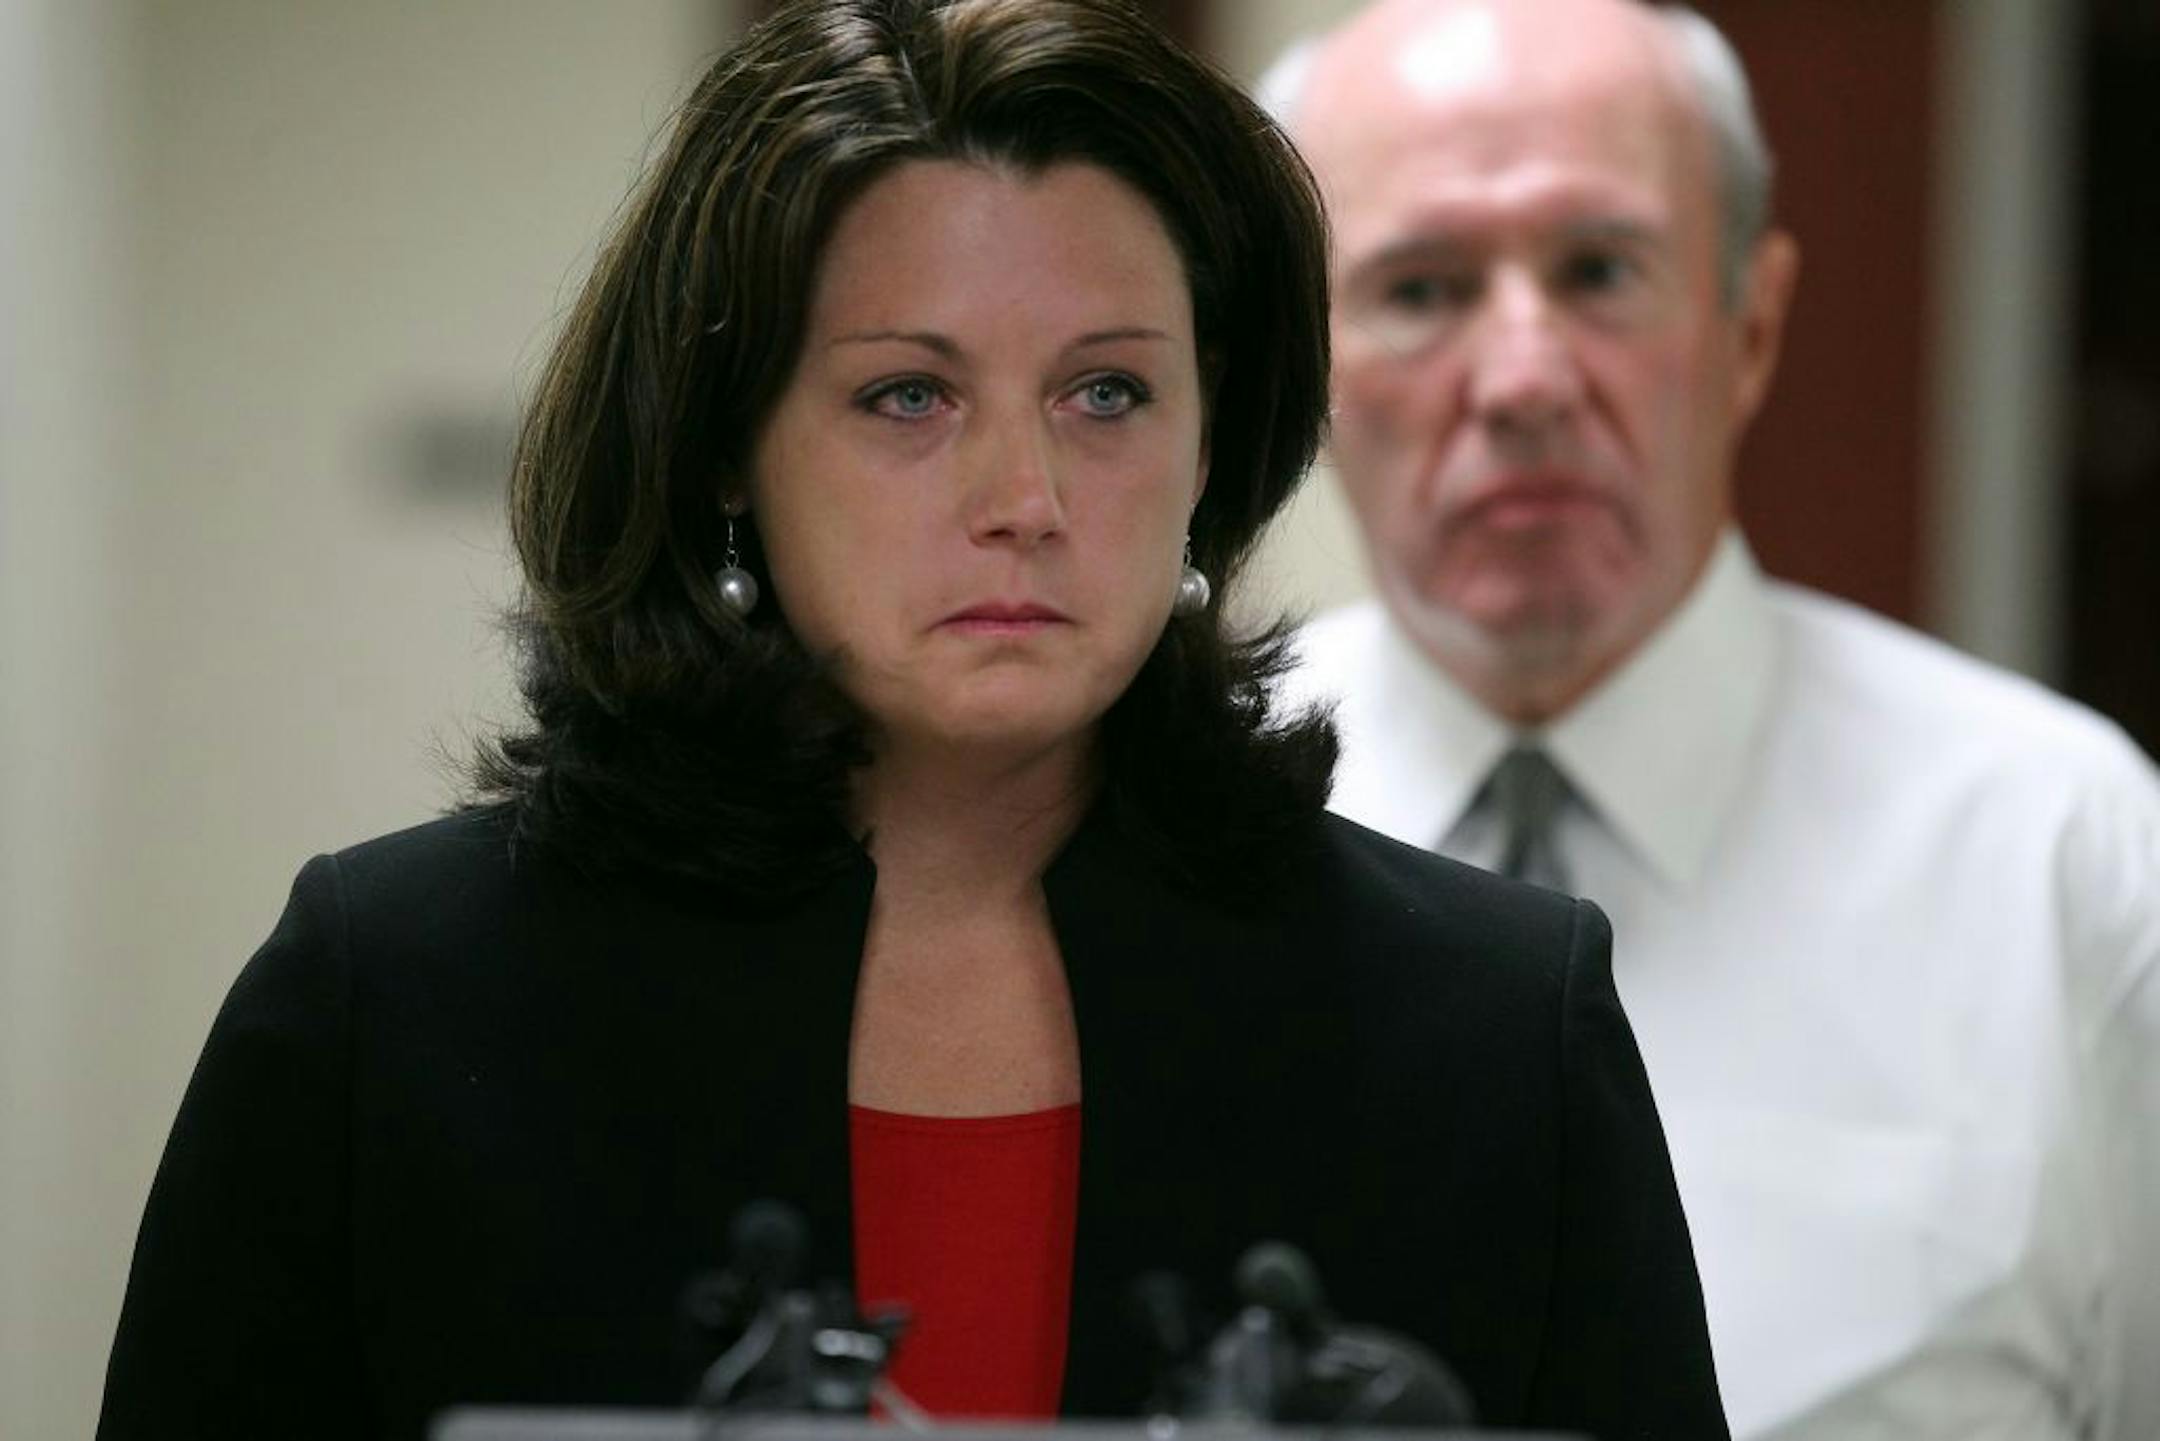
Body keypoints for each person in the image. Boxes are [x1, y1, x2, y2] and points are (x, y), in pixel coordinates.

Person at [95, 2, 1730, 1438]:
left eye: (1107, 394)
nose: (1022, 497)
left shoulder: (1500, 1027)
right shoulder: (389, 998)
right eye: (907, 395)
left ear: (1211, 443)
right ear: (728, 444)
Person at [1269, 0, 2160, 1437]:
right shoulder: (1172, 809)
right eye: (1422, 289)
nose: (1523, 382)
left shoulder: (2063, 856)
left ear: (1751, 326)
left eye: (1601, 271)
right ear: (1300, 365)